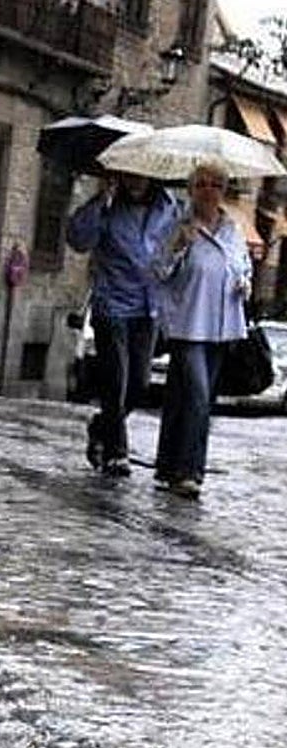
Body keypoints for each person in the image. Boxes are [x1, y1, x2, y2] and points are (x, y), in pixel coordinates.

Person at [66, 171, 180, 477]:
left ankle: (101, 426)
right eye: (128, 175)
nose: (134, 180)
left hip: (149, 307)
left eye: (141, 175)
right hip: (111, 304)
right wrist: (100, 200)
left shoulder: (170, 207)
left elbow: (174, 251)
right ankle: (117, 451)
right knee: (115, 379)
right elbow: (78, 239)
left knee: (139, 384)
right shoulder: (108, 206)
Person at [153, 163, 252, 500]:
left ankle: (167, 465)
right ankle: (190, 472)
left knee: (188, 397)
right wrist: (178, 246)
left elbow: (243, 265)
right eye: (202, 184)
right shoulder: (178, 224)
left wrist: (244, 281)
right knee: (197, 396)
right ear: (192, 188)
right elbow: (159, 270)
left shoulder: (232, 228)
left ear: (224, 190)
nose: (209, 191)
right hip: (187, 324)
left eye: (216, 185)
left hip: (222, 327)